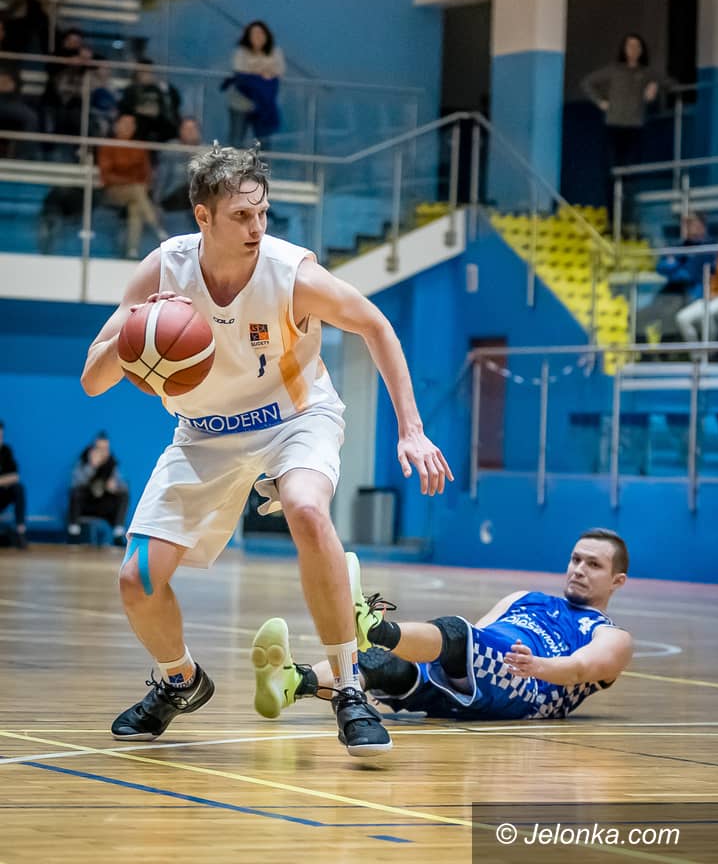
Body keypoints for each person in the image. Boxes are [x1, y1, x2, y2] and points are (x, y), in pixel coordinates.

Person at [80, 145, 452, 757]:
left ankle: (348, 686)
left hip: (295, 418)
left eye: (263, 213)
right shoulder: (163, 271)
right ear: (203, 217)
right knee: (136, 580)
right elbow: (93, 381)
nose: (257, 227)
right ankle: (180, 680)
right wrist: (135, 334)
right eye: (241, 216)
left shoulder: (290, 273)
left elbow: (375, 324)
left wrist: (411, 429)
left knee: (306, 507)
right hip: (203, 433)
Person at [252, 529, 632, 724]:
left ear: (617, 581)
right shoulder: (526, 598)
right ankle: (291, 683)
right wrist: (419, 659)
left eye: (593, 565)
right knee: (385, 666)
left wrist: (538, 666)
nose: (579, 569)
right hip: (480, 679)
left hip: (529, 687)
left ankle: (374, 627)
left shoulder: (611, 635)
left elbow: (580, 669)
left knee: (455, 633)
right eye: (576, 559)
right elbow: (479, 636)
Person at [581, 34, 669, 230]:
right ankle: (612, 221)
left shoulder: (647, 73)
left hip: (635, 128)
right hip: (613, 127)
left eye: (637, 46)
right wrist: (601, 102)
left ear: (642, 50)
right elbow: (587, 82)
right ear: (623, 48)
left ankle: (628, 220)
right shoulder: (614, 70)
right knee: (611, 175)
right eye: (629, 46)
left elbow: (670, 84)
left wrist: (654, 90)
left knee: (630, 177)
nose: (633, 50)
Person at [636, 213, 716, 344]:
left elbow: (690, 274)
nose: (687, 228)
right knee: (638, 318)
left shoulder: (708, 248)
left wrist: (674, 264)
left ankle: (672, 351)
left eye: (691, 224)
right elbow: (661, 267)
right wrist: (677, 267)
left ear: (702, 226)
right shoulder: (681, 246)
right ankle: (647, 354)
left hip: (691, 296)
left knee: (671, 319)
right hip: (670, 295)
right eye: (685, 224)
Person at [98, 113, 168, 259]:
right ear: (116, 126)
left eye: (131, 125)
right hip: (112, 191)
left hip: (137, 192)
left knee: (135, 207)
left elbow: (146, 175)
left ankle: (132, 250)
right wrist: (130, 182)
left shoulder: (138, 147)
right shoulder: (108, 146)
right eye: (124, 124)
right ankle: (156, 226)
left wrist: (137, 183)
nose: (127, 127)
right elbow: (106, 176)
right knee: (137, 190)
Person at [223, 21, 285, 148]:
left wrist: (253, 70)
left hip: (265, 106)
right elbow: (239, 71)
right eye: (254, 34)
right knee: (236, 141)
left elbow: (279, 70)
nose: (258, 37)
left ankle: (261, 162)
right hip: (240, 103)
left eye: (261, 33)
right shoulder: (241, 52)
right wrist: (263, 72)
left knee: (263, 143)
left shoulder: (275, 51)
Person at [68, 432, 129, 546]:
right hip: (87, 504)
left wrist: (115, 486)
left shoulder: (112, 463)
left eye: (105, 449)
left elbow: (124, 485)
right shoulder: (84, 460)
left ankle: (118, 533)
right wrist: (92, 467)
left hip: (104, 505)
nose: (102, 452)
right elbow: (74, 483)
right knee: (75, 493)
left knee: (123, 495)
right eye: (99, 448)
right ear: (93, 449)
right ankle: (74, 532)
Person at [119, 58, 181, 144]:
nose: (146, 75)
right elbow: (125, 110)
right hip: (139, 127)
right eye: (143, 72)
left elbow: (174, 104)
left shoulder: (163, 89)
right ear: (137, 74)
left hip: (159, 125)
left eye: (149, 72)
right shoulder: (130, 90)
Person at [153, 116, 203, 218]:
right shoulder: (170, 149)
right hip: (173, 195)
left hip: (198, 197)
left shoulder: (207, 151)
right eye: (186, 129)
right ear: (180, 131)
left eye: (193, 129)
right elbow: (161, 177)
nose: (190, 132)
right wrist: (156, 201)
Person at [676, 252, 718, 344]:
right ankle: (695, 352)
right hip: (706, 297)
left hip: (716, 298)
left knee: (706, 313)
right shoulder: (709, 256)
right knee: (682, 318)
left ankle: (709, 349)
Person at [0, 420, 28, 550]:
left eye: (1, 436)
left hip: (2, 494)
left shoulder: (6, 451)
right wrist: (5, 480)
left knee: (19, 488)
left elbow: (15, 477)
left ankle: (20, 531)